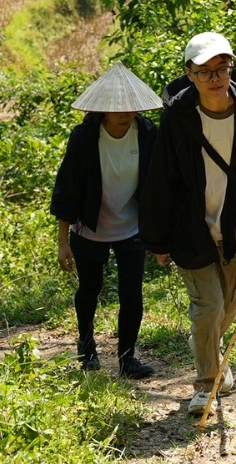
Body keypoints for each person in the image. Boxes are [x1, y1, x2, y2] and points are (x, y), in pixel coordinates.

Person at [139, 32, 236, 415]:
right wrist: (158, 238)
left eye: (222, 68)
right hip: (190, 226)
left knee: (227, 309)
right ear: (189, 74)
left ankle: (210, 351)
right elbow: (161, 177)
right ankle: (205, 383)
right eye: (204, 71)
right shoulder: (179, 116)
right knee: (208, 306)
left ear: (231, 67)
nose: (215, 77)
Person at [50, 63, 160, 378]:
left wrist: (160, 233)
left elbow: (159, 183)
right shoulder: (85, 137)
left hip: (132, 227)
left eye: (130, 107)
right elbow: (67, 188)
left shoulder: (148, 134)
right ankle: (87, 349)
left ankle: (128, 358)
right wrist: (62, 241)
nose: (125, 113)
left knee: (131, 292)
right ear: (104, 109)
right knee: (89, 287)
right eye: (118, 108)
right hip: (89, 226)